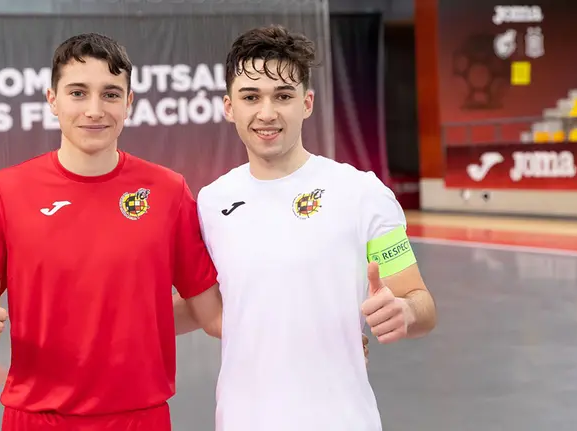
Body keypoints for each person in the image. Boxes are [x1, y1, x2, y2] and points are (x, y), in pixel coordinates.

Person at [0, 33, 224, 431]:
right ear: (52, 100)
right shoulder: (5, 191)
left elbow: (209, 313)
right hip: (36, 418)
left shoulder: (167, 191)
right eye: (78, 92)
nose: (95, 109)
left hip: (138, 418)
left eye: (110, 94)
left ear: (128, 103)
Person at [173, 25, 437, 431]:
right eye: (250, 97)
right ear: (229, 107)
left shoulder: (362, 192)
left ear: (307, 102)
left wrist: (404, 310)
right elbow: (204, 308)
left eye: (282, 96)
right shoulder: (211, 202)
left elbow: (420, 303)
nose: (267, 112)